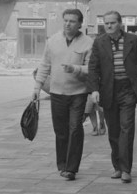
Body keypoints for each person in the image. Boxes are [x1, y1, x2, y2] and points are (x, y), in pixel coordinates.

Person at [88, 10, 137, 183]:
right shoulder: (99, 42)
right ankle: (117, 166)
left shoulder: (133, 40)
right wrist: (94, 89)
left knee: (127, 128)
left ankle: (126, 169)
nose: (108, 26)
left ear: (120, 23)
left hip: (128, 90)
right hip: (109, 90)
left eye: (112, 23)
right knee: (113, 131)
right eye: (106, 23)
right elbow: (93, 67)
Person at [32, 9, 93, 181]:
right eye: (65, 20)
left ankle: (72, 168)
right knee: (60, 130)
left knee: (75, 128)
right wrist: (36, 88)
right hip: (57, 92)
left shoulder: (88, 43)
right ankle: (62, 164)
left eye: (72, 21)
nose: (68, 24)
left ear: (80, 24)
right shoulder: (53, 41)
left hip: (78, 93)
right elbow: (44, 65)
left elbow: (92, 69)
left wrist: (76, 69)